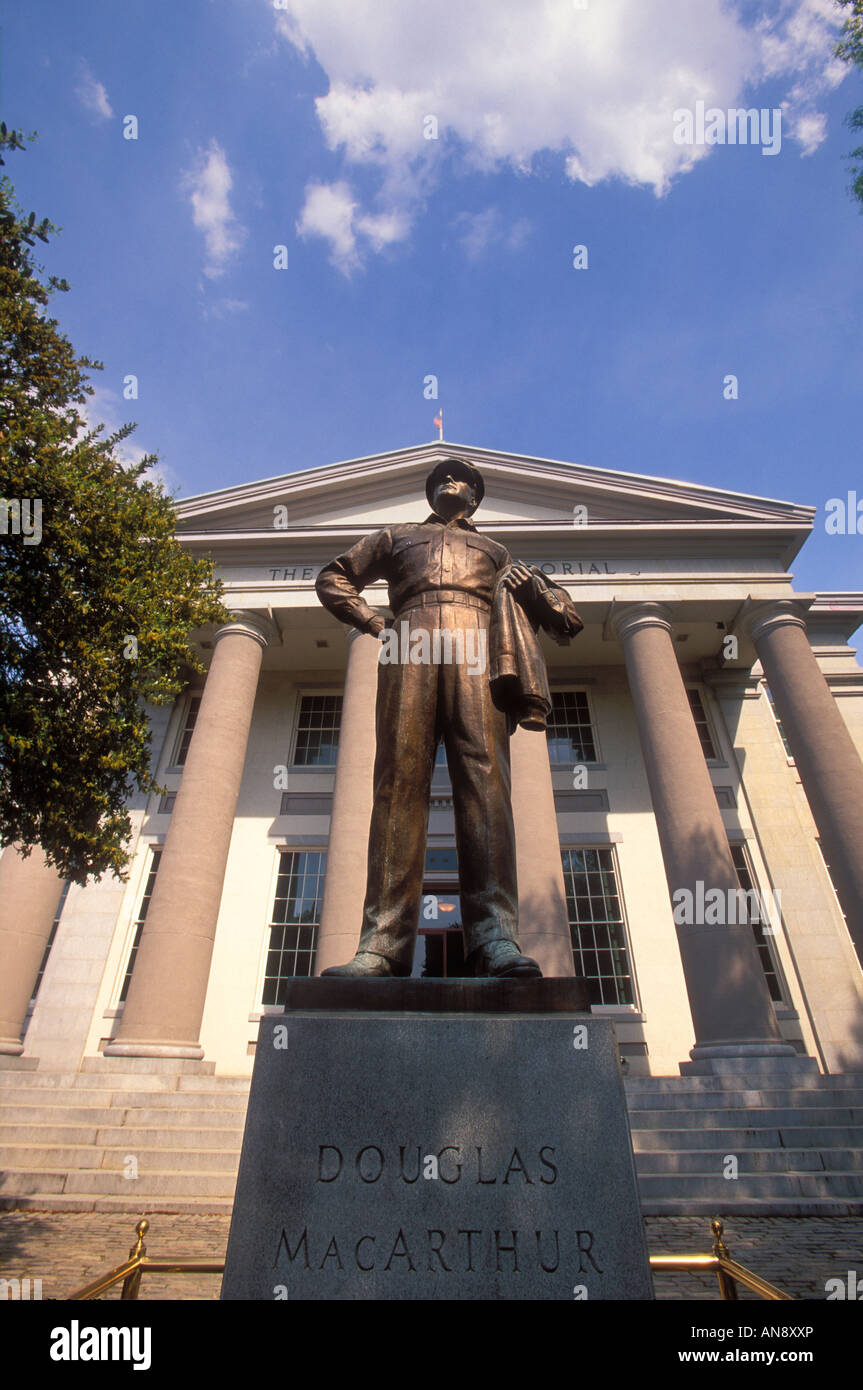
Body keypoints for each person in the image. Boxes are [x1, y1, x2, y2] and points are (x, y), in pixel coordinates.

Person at [314, 458, 582, 978]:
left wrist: (535, 589)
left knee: (484, 784)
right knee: (398, 781)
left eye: (462, 480)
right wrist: (371, 620)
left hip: (478, 644)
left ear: (476, 499)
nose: (450, 484)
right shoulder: (396, 536)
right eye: (441, 479)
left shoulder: (498, 552)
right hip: (408, 640)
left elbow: (566, 620)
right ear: (432, 492)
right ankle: (382, 944)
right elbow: (334, 577)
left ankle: (495, 937)